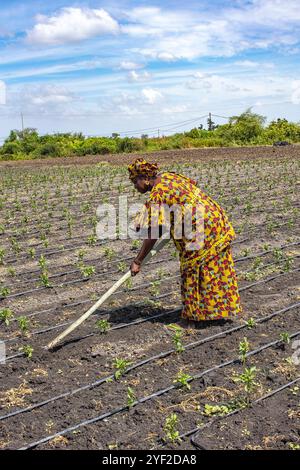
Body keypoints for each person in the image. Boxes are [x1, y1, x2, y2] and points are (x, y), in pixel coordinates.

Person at [128, 157, 241, 326]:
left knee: (191, 269)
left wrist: (138, 260)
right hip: (215, 219)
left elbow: (155, 232)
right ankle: (212, 312)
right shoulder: (167, 177)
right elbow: (185, 189)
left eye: (135, 182)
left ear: (145, 178)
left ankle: (190, 320)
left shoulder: (158, 194)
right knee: (214, 268)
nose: (135, 186)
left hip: (199, 228)